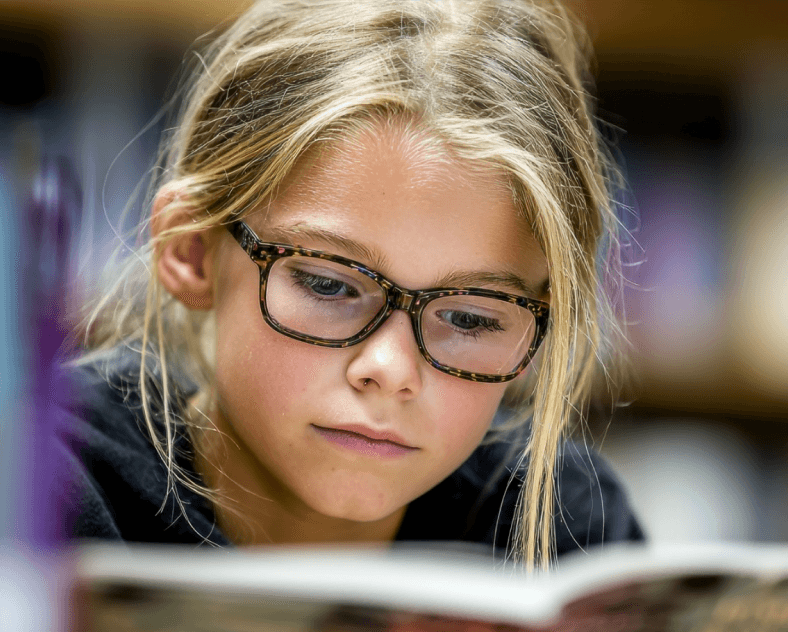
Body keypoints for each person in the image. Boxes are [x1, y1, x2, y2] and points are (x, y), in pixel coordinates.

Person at [56, 0, 644, 570]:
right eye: (329, 285)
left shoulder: (571, 533)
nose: (390, 370)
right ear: (190, 249)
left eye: (472, 318)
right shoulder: (44, 482)